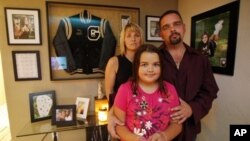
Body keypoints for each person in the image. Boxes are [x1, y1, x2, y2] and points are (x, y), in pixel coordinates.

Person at [158, 10, 219, 141]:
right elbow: (134, 87)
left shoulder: (200, 59)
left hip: (190, 128)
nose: (172, 29)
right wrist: (113, 112)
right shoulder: (152, 58)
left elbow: (210, 91)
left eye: (176, 24)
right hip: (160, 129)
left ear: (184, 28)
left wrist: (192, 108)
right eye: (166, 27)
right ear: (161, 34)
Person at [113, 44, 182, 141]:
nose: (150, 69)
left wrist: (164, 136)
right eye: (144, 64)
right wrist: (134, 139)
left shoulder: (170, 89)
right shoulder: (124, 90)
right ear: (137, 66)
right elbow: (119, 126)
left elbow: (176, 124)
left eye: (155, 64)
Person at [105, 22, 144, 108]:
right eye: (129, 36)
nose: (133, 39)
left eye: (136, 35)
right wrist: (115, 112)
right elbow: (109, 92)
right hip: (121, 109)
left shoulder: (145, 61)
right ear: (124, 40)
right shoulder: (114, 62)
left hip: (142, 108)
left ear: (141, 39)